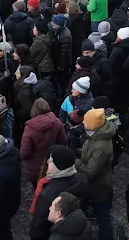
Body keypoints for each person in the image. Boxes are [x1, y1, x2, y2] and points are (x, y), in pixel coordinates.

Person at [29, 147, 90, 240]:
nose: (48, 162)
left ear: (57, 166)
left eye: (51, 160)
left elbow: (38, 224)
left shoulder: (48, 194)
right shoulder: (82, 179)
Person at [74, 108, 115, 240]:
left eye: (86, 121)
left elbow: (90, 172)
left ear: (93, 125)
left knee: (104, 219)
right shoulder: (95, 135)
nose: (83, 122)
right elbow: (88, 155)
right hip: (94, 186)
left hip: (99, 188)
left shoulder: (101, 146)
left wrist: (74, 160)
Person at [21, 98, 67, 186]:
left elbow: (25, 152)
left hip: (35, 166)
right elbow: (63, 141)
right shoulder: (57, 122)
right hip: (53, 163)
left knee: (37, 188)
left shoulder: (29, 128)